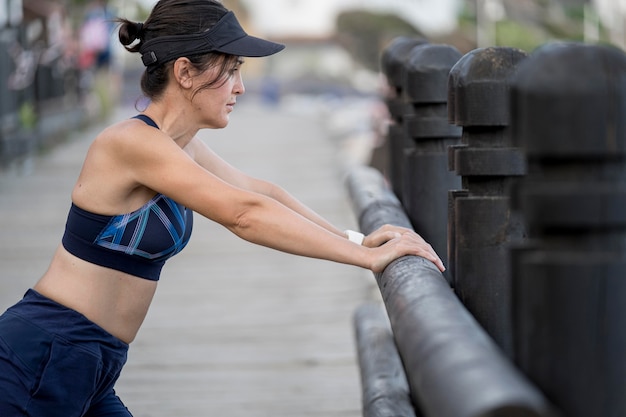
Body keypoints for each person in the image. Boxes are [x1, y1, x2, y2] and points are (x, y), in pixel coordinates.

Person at [0, 1, 445, 416]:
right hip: (44, 352)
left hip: (96, 363)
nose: (241, 86)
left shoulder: (180, 146)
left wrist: (356, 239)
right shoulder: (130, 143)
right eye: (230, 70)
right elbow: (243, 213)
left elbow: (260, 191)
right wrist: (366, 260)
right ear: (185, 72)